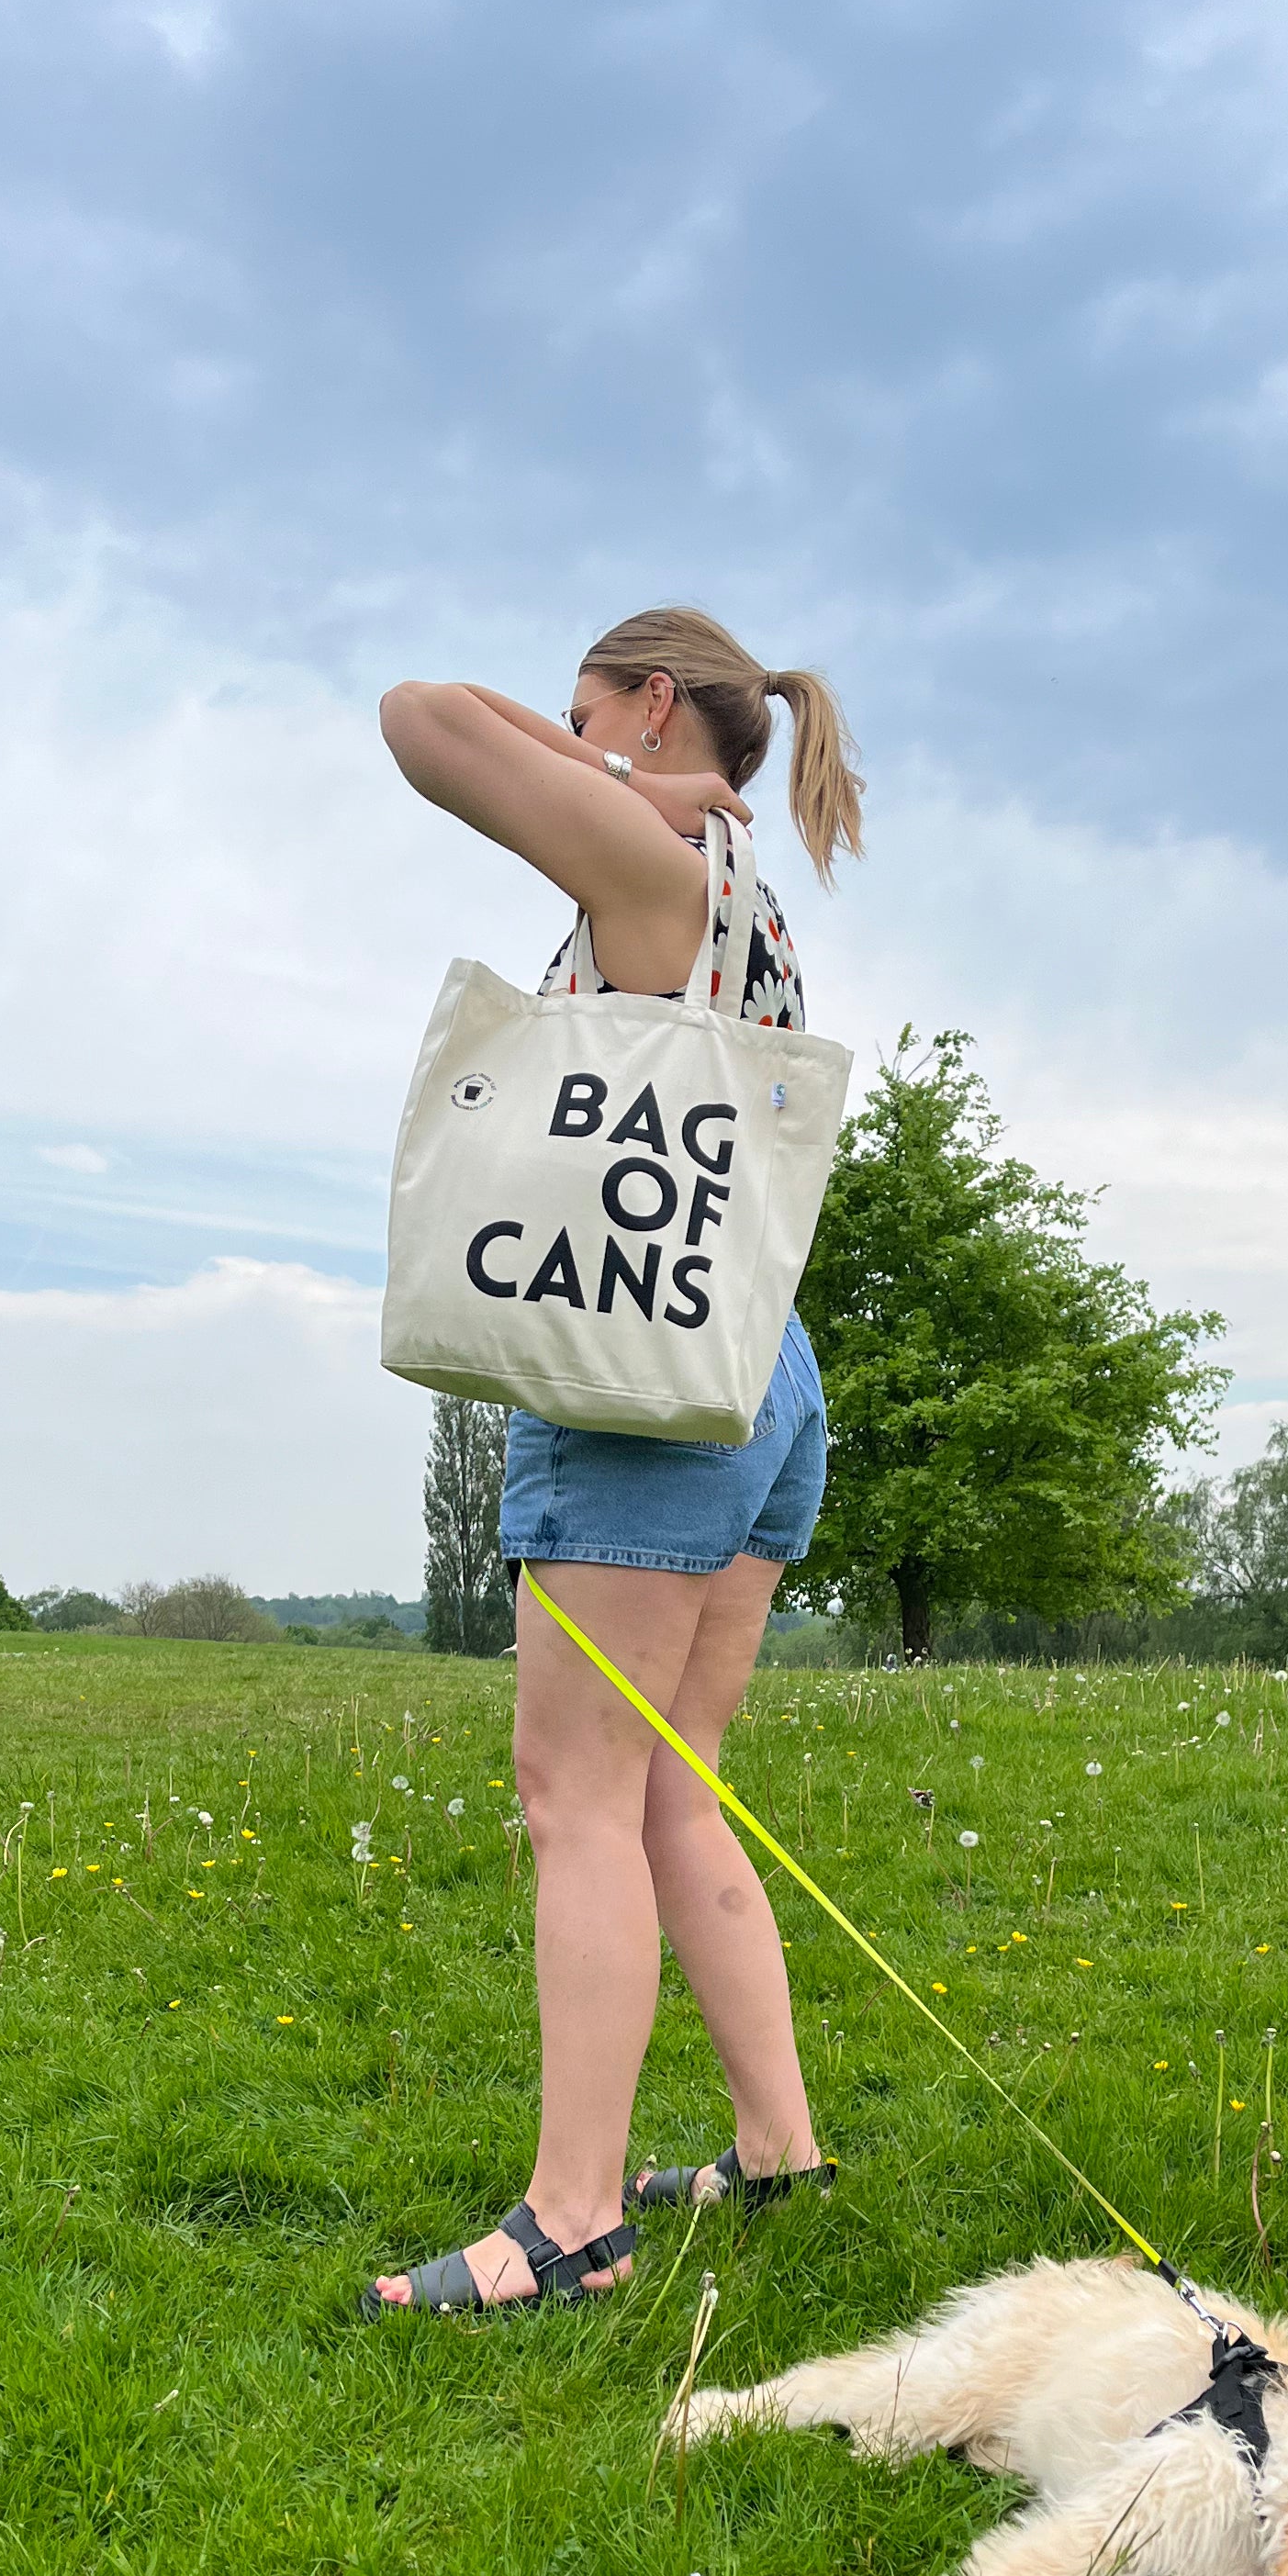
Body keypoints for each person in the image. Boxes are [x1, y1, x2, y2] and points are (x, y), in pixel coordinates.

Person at [367, 607, 863, 2315]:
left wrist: (613, 780)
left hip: (638, 1381)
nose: (561, 743)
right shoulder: (745, 892)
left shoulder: (659, 874)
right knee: (669, 1782)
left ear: (657, 707)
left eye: (590, 711)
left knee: (572, 1795)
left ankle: (568, 2217)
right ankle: (773, 2141)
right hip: (761, 1360)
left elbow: (420, 718)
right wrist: (635, 767)